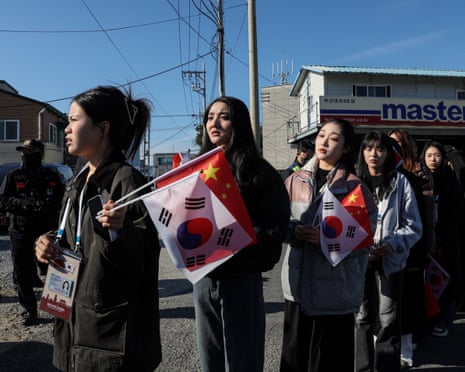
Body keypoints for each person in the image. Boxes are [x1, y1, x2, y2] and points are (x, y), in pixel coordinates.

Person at [35, 86, 162, 371]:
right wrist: (46, 247)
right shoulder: (77, 182)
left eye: (73, 120)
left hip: (112, 337)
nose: (66, 129)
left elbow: (147, 258)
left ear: (103, 128)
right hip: (73, 326)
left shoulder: (128, 182)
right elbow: (68, 241)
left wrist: (121, 232)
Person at [193, 96, 290, 372]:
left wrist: (232, 240)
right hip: (203, 277)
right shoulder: (198, 168)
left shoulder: (259, 171)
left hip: (240, 278)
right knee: (209, 359)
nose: (214, 122)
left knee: (241, 360)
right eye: (210, 117)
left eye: (223, 116)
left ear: (239, 122)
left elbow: (275, 226)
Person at [280, 118, 377, 372]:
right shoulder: (294, 181)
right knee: (295, 360)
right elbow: (279, 223)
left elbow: (365, 241)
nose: (324, 141)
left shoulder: (356, 188)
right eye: (322, 135)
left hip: (335, 294)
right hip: (297, 288)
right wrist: (295, 231)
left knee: (330, 362)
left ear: (346, 148)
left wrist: (326, 240)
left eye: (334, 138)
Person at [355, 132, 422, 372]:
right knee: (361, 318)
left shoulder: (399, 182)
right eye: (369, 148)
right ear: (362, 152)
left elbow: (414, 225)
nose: (374, 154)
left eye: (380, 149)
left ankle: (386, 368)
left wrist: (392, 244)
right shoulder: (352, 181)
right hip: (357, 260)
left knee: (388, 319)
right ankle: (362, 368)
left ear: (388, 153)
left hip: (391, 260)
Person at [0, 139, 64, 326]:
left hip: (47, 230)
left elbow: (64, 199)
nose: (25, 156)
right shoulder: (14, 176)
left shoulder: (51, 175)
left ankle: (57, 309)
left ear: (40, 154)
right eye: (23, 152)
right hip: (21, 230)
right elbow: (3, 200)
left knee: (54, 270)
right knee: (23, 272)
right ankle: (29, 310)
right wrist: (23, 203)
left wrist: (46, 205)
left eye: (29, 152)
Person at [388, 129, 434, 368]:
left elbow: (426, 217)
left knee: (410, 300)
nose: (391, 146)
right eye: (389, 142)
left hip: (412, 248)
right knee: (386, 301)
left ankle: (406, 348)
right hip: (385, 250)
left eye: (397, 142)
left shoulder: (418, 174)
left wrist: (426, 247)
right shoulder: (382, 173)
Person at [420, 141, 464, 337]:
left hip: (447, 237)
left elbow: (457, 209)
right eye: (429, 155)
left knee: (447, 278)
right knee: (427, 281)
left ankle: (444, 319)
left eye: (436, 155)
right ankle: (428, 319)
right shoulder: (420, 179)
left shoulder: (451, 180)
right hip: (425, 237)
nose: (433, 159)